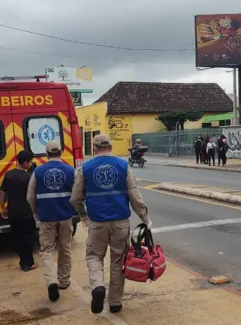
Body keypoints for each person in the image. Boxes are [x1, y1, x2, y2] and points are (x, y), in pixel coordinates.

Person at [70, 134, 151, 314]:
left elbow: (75, 198)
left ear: (95, 149)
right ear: (111, 147)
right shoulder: (123, 166)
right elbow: (135, 196)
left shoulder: (85, 168)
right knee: (118, 260)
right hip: (121, 222)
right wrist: (145, 219)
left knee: (94, 257)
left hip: (97, 223)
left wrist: (83, 215)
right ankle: (115, 302)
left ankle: (98, 286)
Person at [27, 141, 76, 302]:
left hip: (46, 217)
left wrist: (36, 213)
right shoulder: (71, 171)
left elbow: (30, 197)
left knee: (46, 251)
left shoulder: (38, 172)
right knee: (65, 249)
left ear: (46, 153)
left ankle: (51, 281)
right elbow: (77, 195)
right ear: (61, 152)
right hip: (65, 217)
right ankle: (63, 281)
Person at [0, 150, 38, 272]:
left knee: (17, 237)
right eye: (30, 162)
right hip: (26, 212)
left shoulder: (8, 174)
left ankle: (22, 261)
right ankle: (28, 263)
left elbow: (2, 192)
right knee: (28, 237)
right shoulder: (28, 177)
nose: (31, 164)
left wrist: (2, 207)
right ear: (25, 163)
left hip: (12, 211)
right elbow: (33, 195)